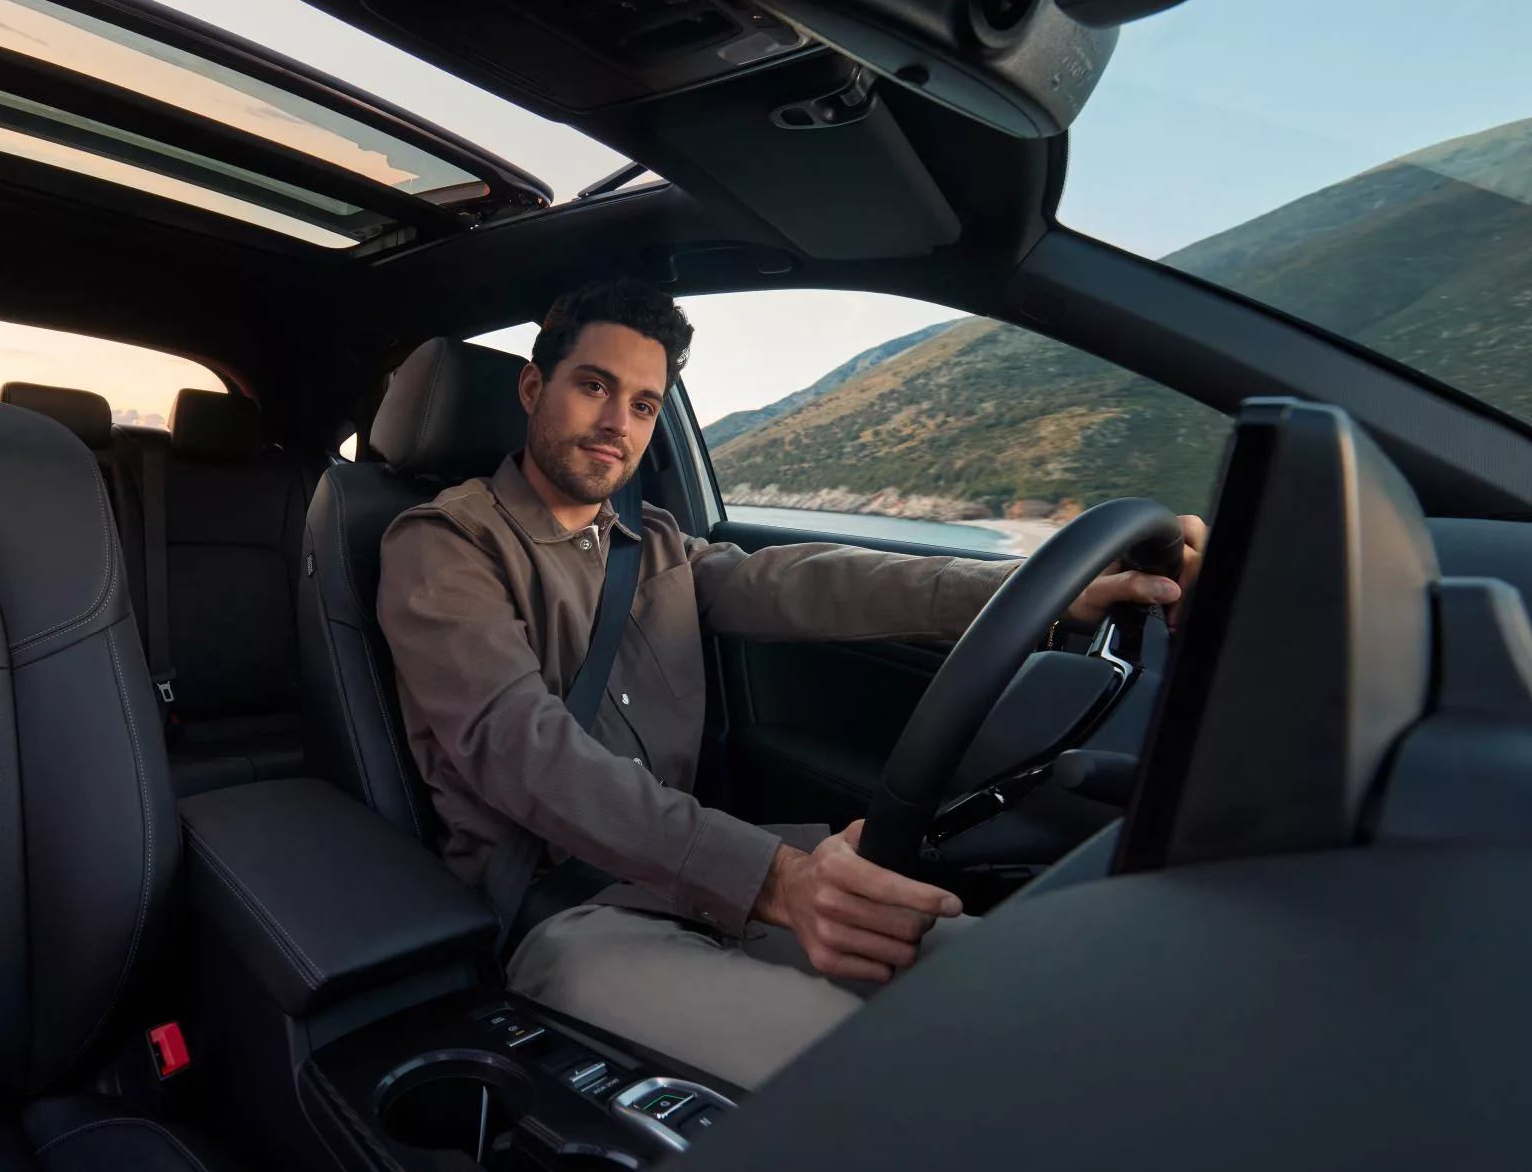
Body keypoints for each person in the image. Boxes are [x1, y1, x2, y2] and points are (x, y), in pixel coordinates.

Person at [376, 278, 1205, 1089]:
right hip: (566, 911)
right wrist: (773, 878)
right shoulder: (445, 543)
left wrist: (1052, 589)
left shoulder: (651, 542)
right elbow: (527, 754)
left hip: (701, 884)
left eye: (643, 403)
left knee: (1023, 987)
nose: (617, 423)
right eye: (594, 386)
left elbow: (810, 581)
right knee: (895, 1077)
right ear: (533, 387)